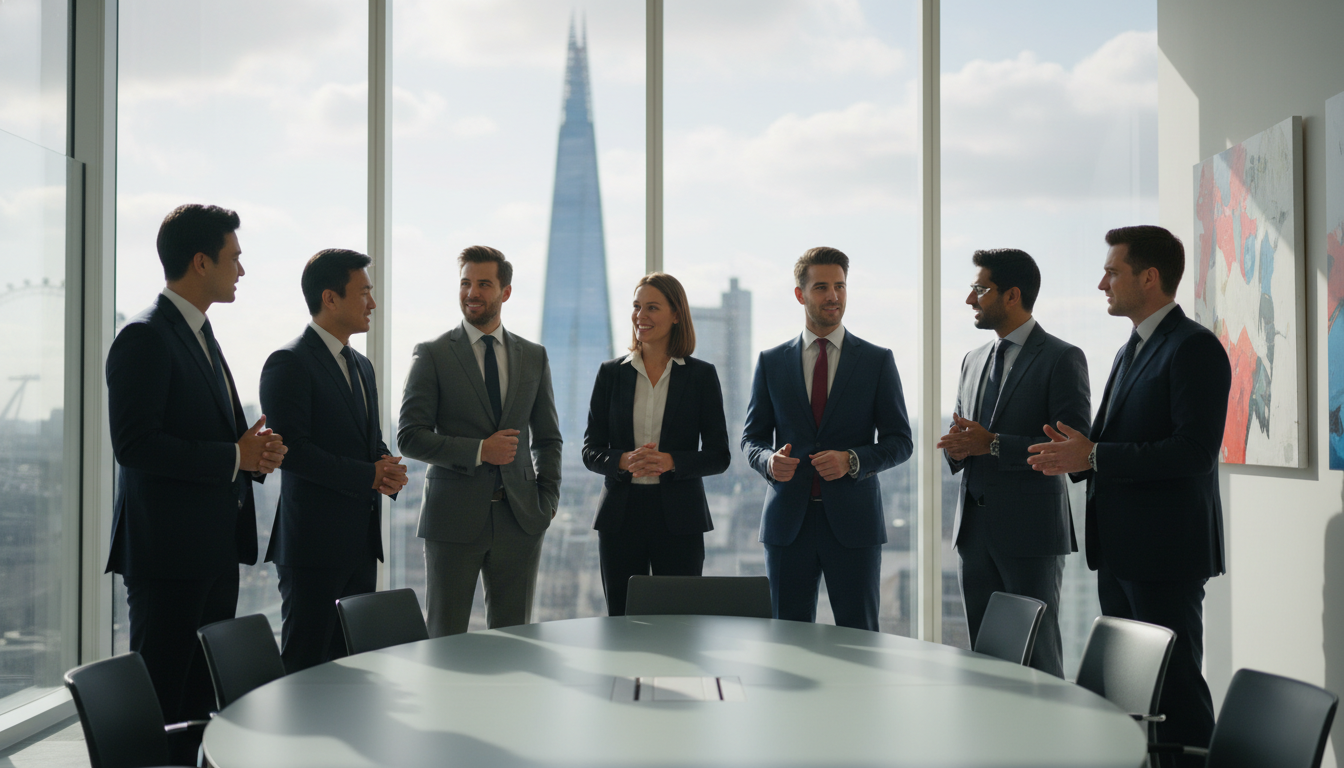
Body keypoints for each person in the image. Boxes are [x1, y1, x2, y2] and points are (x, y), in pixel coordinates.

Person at [1028, 225, 1230, 765]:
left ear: (1150, 276)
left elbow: (1193, 453)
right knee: (1130, 703)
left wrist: (1092, 457)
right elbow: (1106, 443)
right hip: (1120, 554)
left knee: (1178, 696)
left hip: (1164, 556)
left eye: (1112, 271)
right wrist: (1075, 456)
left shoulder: (1194, 348)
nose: (1101, 284)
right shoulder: (1130, 349)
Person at [105, 204, 286, 725]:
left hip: (211, 552)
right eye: (236, 258)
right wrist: (234, 455)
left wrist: (252, 458)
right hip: (167, 558)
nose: (242, 271)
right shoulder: (145, 336)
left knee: (201, 706)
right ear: (202, 262)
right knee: (159, 706)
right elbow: (136, 446)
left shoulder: (200, 333)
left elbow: (210, 437)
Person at [741, 246, 913, 631]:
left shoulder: (876, 360)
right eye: (821, 287)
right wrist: (768, 461)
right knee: (786, 637)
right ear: (801, 294)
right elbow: (751, 438)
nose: (833, 295)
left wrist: (851, 460)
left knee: (860, 637)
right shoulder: (771, 362)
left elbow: (901, 441)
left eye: (840, 286)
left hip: (855, 526)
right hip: (788, 525)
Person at [936, 248, 1090, 677]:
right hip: (973, 536)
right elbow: (969, 438)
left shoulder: (1062, 358)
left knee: (1038, 659)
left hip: (1031, 535)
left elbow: (1070, 450)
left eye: (979, 289)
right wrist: (957, 447)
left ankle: (1046, 742)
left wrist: (994, 445)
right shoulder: (972, 359)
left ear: (1012, 295)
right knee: (984, 661)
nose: (970, 299)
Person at [398, 245, 562, 636]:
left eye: (483, 284)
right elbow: (409, 436)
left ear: (505, 292)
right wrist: (478, 451)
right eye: (465, 283)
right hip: (451, 519)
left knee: (514, 639)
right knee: (445, 636)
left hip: (521, 519)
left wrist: (547, 501)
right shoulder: (433, 354)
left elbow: (548, 437)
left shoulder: (534, 356)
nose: (472, 292)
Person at [259, 249, 408, 673]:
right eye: (364, 293)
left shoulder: (362, 365)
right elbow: (295, 452)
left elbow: (368, 440)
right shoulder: (288, 362)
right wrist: (369, 474)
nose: (372, 304)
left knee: (352, 671)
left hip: (360, 545)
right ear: (330, 298)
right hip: (312, 549)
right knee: (305, 669)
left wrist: (384, 467)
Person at [582, 273, 731, 615]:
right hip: (621, 517)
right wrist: (621, 461)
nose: (640, 316)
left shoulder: (700, 376)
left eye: (652, 307)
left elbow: (719, 456)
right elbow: (590, 450)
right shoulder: (610, 374)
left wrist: (671, 462)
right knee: (621, 620)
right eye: (636, 307)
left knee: (680, 622)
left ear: (676, 314)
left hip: (680, 519)